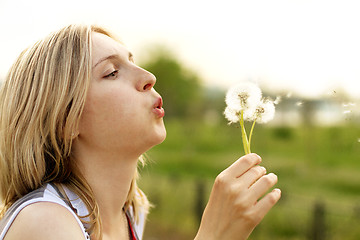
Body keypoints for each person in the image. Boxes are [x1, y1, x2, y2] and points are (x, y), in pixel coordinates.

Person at [0, 24, 281, 240]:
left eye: (133, 61)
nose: (149, 77)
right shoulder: (43, 222)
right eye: (112, 72)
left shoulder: (132, 212)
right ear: (65, 121)